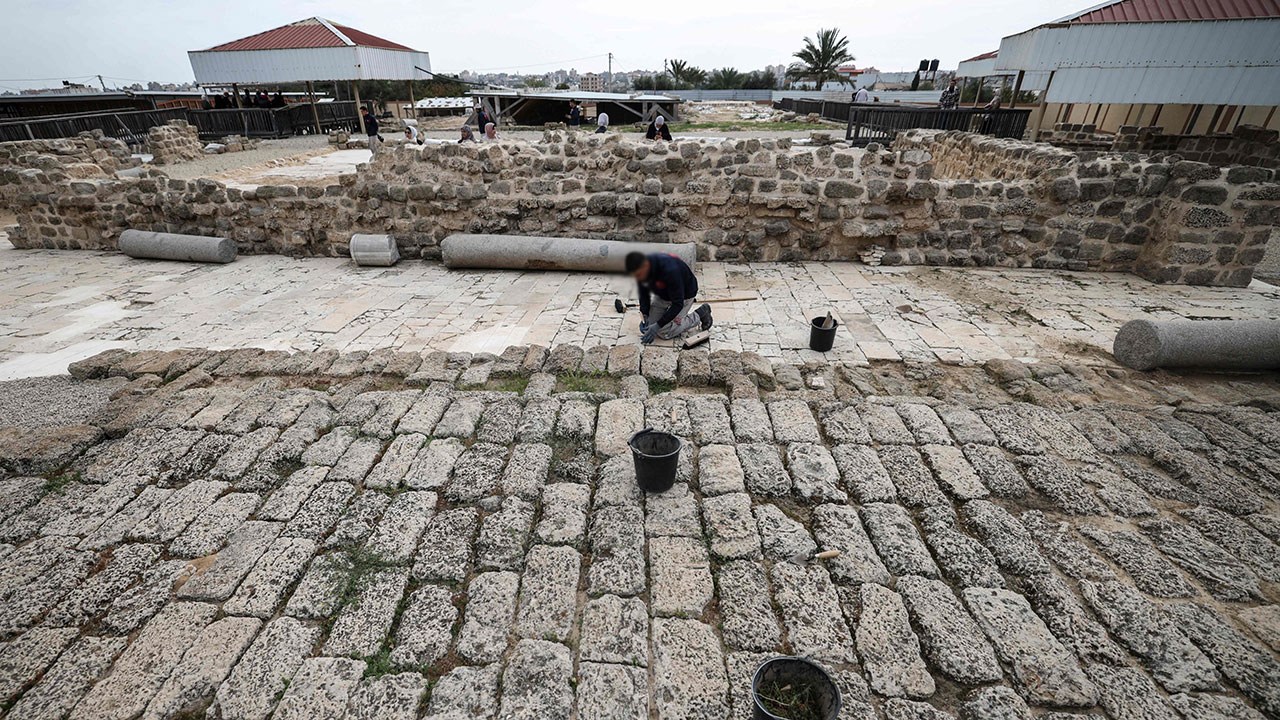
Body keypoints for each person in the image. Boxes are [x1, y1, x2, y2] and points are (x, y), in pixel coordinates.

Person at [625, 251, 712, 344]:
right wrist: (645, 315)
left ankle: (700, 313)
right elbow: (643, 292)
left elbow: (677, 304)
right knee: (649, 326)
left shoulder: (670, 271)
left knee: (664, 332)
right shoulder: (641, 269)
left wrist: (658, 325)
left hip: (684, 296)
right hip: (664, 294)